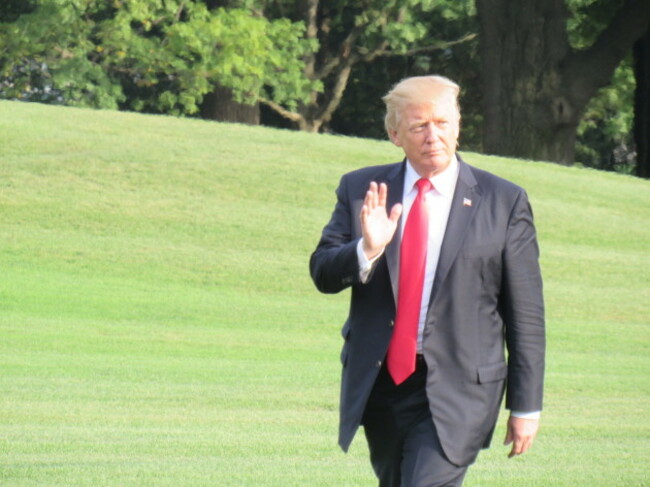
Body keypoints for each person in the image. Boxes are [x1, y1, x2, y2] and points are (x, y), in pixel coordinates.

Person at [309, 75, 545, 487]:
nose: (432, 136)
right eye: (419, 126)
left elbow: (525, 314)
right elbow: (323, 273)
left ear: (458, 125)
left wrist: (525, 406)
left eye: (442, 123)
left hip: (461, 387)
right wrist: (367, 249)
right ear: (395, 134)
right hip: (382, 384)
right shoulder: (361, 189)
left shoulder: (503, 201)